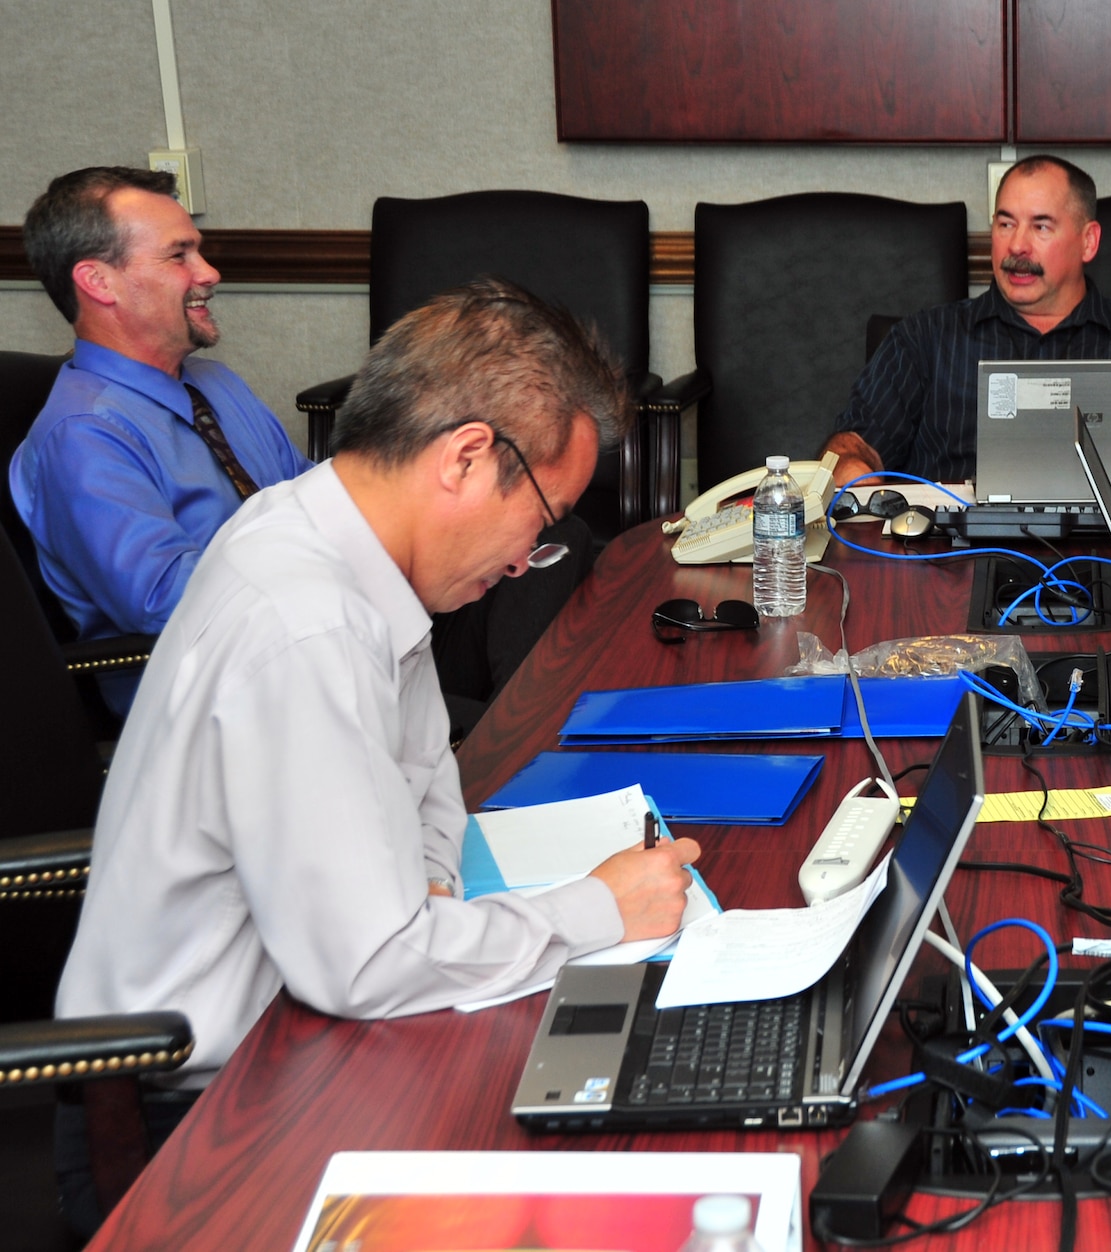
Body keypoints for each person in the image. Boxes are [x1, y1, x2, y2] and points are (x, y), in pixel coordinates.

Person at [52, 279, 703, 1231]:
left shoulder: (335, 543)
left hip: (299, 1031)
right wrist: (600, 907)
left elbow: (426, 775)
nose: (526, 561)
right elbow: (370, 963)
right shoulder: (308, 620)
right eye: (540, 520)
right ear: (467, 457)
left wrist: (429, 882)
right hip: (198, 1117)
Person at [10, 166, 587, 726]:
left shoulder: (214, 382)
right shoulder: (82, 434)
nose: (208, 272)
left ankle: (520, 733)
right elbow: (171, 603)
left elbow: (318, 494)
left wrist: (426, 520)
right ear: (98, 282)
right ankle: (513, 745)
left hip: (346, 629)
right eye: (178, 255)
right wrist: (365, 566)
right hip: (242, 689)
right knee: (478, 712)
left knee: (544, 531)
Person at [823, 155, 1111, 488]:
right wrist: (848, 466)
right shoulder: (923, 339)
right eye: (1005, 223)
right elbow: (855, 442)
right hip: (949, 555)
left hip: (1104, 555)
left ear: (1088, 242)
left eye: (1041, 227)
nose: (1017, 246)